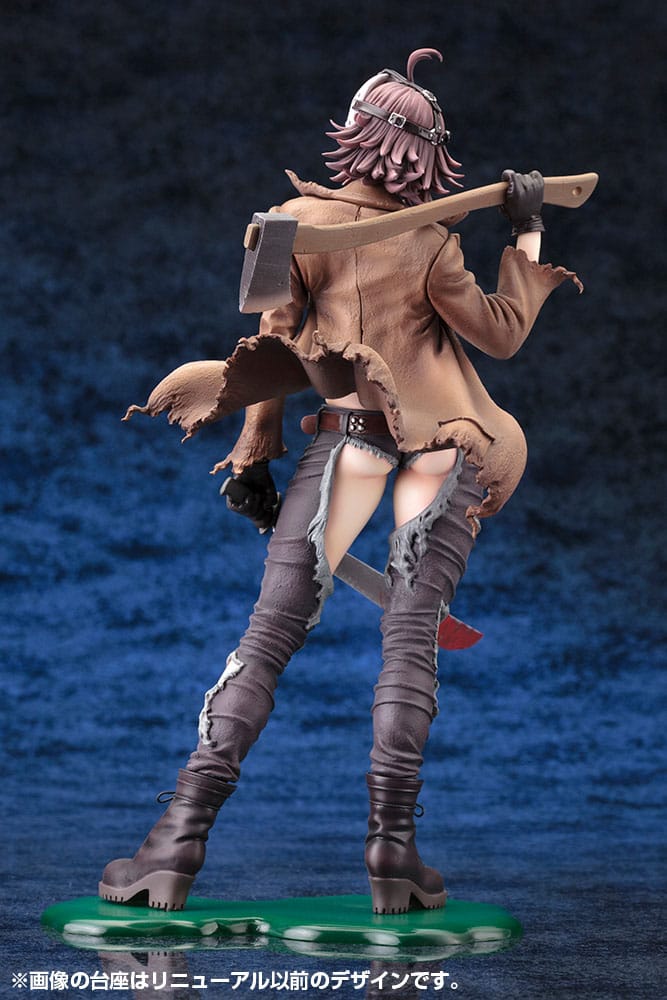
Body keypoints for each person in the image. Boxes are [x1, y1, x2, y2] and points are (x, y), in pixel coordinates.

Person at [99, 48, 581, 914]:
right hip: (443, 447)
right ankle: (391, 852)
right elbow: (503, 334)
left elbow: (278, 343)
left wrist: (255, 451)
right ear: (430, 158)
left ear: (354, 133)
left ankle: (173, 843)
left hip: (349, 441)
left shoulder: (293, 223)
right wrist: (528, 231)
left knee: (269, 635)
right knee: (411, 641)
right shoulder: (431, 244)